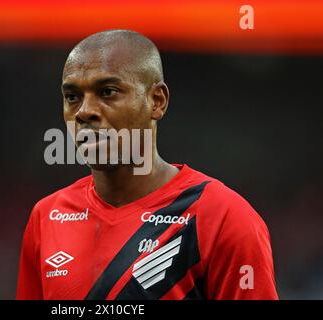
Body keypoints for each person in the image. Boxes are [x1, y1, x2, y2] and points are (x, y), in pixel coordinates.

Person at [16, 29, 278, 300]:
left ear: (157, 101)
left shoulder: (224, 218)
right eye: (72, 96)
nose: (84, 111)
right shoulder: (46, 216)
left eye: (107, 92)